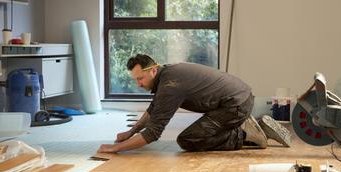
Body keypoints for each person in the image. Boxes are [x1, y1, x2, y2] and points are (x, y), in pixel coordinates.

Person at [97, 54, 269, 153]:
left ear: (153, 70)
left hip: (235, 106)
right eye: (136, 80)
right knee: (196, 133)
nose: (138, 84)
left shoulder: (169, 86)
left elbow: (153, 133)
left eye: (140, 78)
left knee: (188, 140)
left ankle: (244, 134)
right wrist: (131, 132)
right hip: (238, 98)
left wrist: (115, 149)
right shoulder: (167, 75)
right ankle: (244, 126)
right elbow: (153, 110)